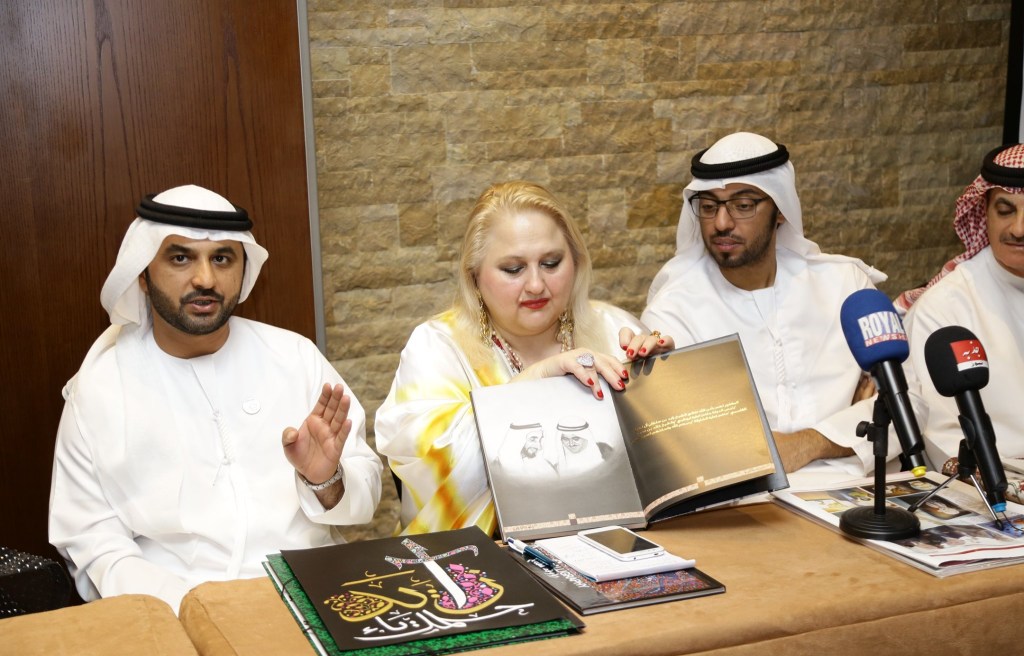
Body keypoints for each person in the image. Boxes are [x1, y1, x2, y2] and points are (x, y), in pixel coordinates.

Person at [48, 185, 383, 613]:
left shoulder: (294, 357)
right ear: (143, 275)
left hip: (313, 598)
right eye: (180, 258)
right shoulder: (100, 390)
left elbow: (364, 497)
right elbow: (92, 541)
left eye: (222, 259)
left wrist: (326, 481)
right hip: (174, 614)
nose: (205, 279)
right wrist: (192, 610)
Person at [374, 181, 669, 535]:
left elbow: (670, 468)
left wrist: (663, 386)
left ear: (576, 262)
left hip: (619, 543)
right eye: (513, 269)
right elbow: (433, 467)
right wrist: (534, 382)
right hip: (489, 557)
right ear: (474, 276)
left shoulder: (614, 329)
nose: (535, 285)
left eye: (551, 263)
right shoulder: (437, 347)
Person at [642, 132, 893, 486]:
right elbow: (696, 443)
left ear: (780, 211)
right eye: (709, 207)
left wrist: (808, 443)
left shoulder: (846, 286)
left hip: (859, 490)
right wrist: (847, 427)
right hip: (746, 500)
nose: (722, 223)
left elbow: (906, 405)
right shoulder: (673, 311)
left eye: (743, 205)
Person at [900, 143, 1024, 470]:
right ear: (984, 213)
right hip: (996, 478)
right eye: (1005, 211)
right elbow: (943, 436)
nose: (1018, 229)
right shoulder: (944, 308)